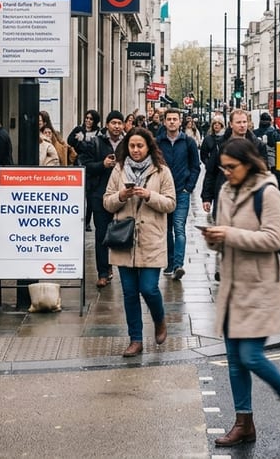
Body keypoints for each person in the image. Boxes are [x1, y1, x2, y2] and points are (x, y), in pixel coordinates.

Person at [203, 137, 280, 446]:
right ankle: (244, 423)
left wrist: (230, 234)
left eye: (231, 167)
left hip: (260, 285)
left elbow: (273, 239)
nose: (226, 172)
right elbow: (222, 233)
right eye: (223, 167)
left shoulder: (269, 192)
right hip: (233, 284)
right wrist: (213, 238)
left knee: (250, 355)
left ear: (247, 164)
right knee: (234, 359)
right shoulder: (225, 190)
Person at [102, 127, 176, 357]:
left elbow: (171, 203)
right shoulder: (119, 170)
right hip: (124, 239)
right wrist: (120, 197)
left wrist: (149, 196)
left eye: (140, 146)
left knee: (149, 288)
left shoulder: (161, 171)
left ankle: (159, 319)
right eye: (132, 146)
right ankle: (136, 339)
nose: (135, 150)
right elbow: (107, 202)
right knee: (129, 292)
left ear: (148, 147)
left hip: (151, 239)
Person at [79, 110, 126, 288]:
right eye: (113, 122)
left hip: (122, 195)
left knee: (124, 233)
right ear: (107, 125)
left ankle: (119, 267)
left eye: (119, 123)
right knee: (101, 235)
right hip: (100, 194)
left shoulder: (128, 143)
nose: (116, 126)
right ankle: (103, 272)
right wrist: (102, 165)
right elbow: (84, 164)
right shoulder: (95, 142)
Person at [157, 108, 201, 279]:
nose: (172, 122)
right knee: (166, 230)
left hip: (182, 191)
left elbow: (195, 166)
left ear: (180, 121)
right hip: (163, 192)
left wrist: (188, 187)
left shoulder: (188, 142)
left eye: (175, 119)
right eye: (169, 119)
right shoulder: (158, 142)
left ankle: (178, 265)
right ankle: (169, 263)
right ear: (165, 122)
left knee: (179, 228)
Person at [202, 109, 269, 214]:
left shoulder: (257, 145)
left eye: (244, 122)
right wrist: (207, 197)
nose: (242, 125)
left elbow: (264, 171)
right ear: (231, 124)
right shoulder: (220, 145)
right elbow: (212, 171)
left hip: (249, 195)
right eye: (238, 122)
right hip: (225, 193)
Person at [68, 109, 102, 230]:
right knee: (79, 195)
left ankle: (87, 221)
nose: (88, 121)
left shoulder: (99, 133)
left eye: (91, 119)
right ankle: (77, 219)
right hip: (79, 166)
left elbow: (93, 150)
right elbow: (69, 141)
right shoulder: (79, 129)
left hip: (92, 168)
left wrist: (82, 142)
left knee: (90, 197)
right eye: (86, 118)